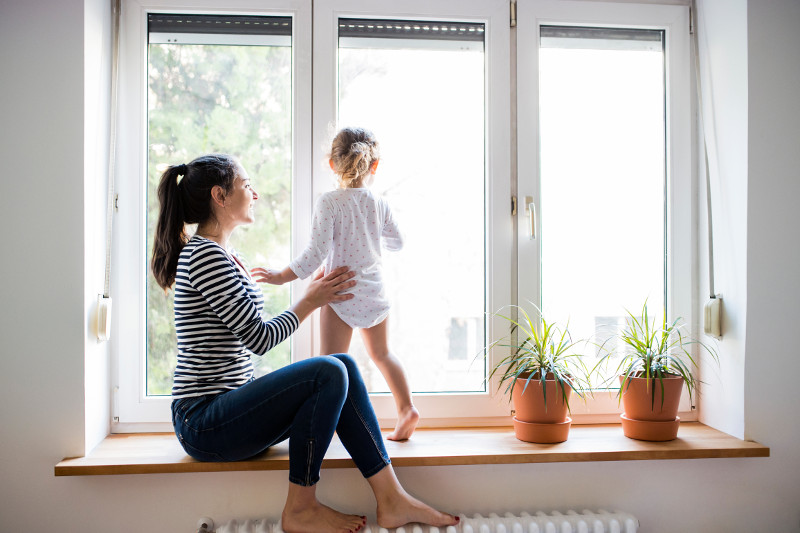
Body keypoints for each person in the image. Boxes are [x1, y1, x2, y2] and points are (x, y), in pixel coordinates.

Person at [150, 154, 459, 533]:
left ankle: (391, 498)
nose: (255, 193)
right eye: (246, 185)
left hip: (226, 411)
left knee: (342, 365)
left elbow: (248, 330)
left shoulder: (226, 255)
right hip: (203, 422)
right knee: (328, 370)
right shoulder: (206, 257)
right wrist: (310, 300)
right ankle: (300, 508)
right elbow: (259, 338)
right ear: (220, 196)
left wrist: (311, 295)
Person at [256, 127, 419, 441]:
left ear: (331, 164)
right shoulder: (378, 203)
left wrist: (280, 276)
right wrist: (370, 237)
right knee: (383, 354)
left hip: (338, 292)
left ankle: (325, 426)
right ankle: (407, 408)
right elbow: (397, 242)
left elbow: (314, 254)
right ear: (374, 166)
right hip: (374, 291)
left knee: (329, 366)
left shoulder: (329, 203)